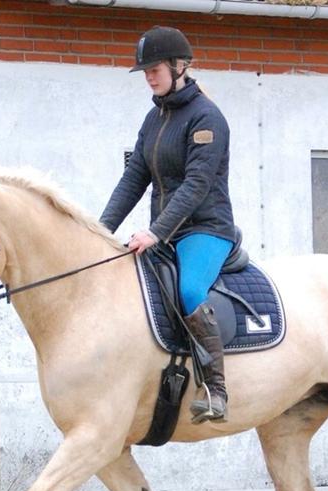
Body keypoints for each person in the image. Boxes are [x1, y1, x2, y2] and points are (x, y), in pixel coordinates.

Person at [100, 26, 238, 424]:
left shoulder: (207, 118)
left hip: (205, 230)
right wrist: (99, 230)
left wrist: (156, 231)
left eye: (154, 68)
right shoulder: (154, 118)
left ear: (180, 67)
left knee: (191, 289)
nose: (148, 76)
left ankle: (215, 389)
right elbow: (133, 179)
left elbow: (197, 185)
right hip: (165, 231)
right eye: (144, 70)